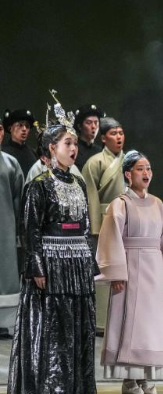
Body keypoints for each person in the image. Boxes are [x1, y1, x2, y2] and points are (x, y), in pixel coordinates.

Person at [7, 98, 98, 393]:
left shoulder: (79, 183)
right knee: (53, 329)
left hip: (77, 266)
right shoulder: (39, 186)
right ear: (51, 148)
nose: (73, 148)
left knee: (78, 327)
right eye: (67, 143)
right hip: (51, 266)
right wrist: (36, 266)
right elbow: (31, 228)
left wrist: (90, 262)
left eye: (75, 143)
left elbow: (85, 225)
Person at [96, 151, 163, 394]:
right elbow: (111, 239)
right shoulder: (120, 204)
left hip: (153, 271)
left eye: (149, 168)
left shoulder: (157, 204)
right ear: (128, 174)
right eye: (140, 169)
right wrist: (117, 273)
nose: (146, 173)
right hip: (130, 270)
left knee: (150, 327)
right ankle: (129, 380)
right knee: (130, 325)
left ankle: (146, 377)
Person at [82, 116, 126, 334]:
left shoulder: (130, 161)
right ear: (103, 138)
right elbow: (90, 196)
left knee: (125, 269)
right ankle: (100, 320)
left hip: (126, 221)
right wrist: (95, 227)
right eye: (113, 133)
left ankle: (124, 318)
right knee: (103, 270)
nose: (118, 137)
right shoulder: (95, 162)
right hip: (104, 220)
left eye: (121, 133)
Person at [0, 130, 23, 338]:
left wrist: (17, 230)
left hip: (5, 227)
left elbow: (18, 198)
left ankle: (3, 323)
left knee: (5, 274)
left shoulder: (11, 163)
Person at [2, 109, 37, 175]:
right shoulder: (3, 153)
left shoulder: (33, 153)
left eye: (27, 126)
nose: (24, 129)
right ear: (10, 128)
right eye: (20, 125)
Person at [73, 104, 105, 170]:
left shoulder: (101, 151)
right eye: (88, 122)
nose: (93, 126)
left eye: (96, 122)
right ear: (79, 126)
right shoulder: (72, 149)